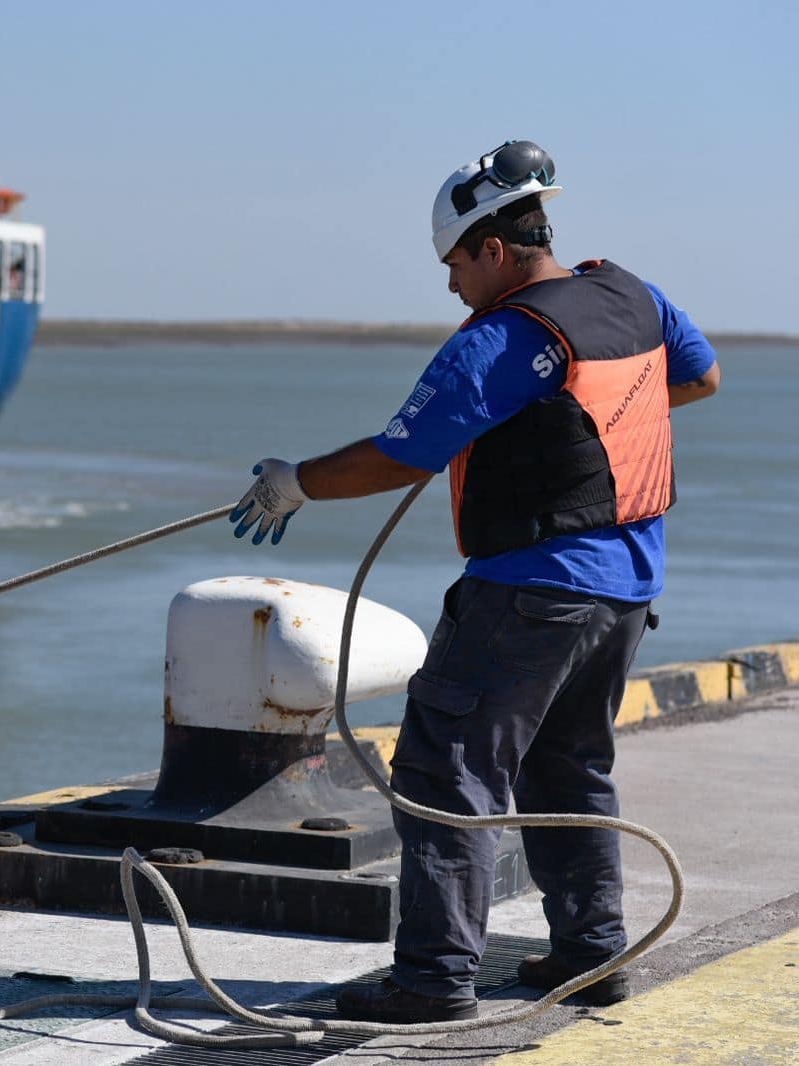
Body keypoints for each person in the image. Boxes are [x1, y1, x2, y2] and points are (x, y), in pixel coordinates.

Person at [229, 141, 720, 1022]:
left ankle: (432, 979)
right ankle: (592, 955)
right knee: (572, 770)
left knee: (444, 770)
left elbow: (398, 453)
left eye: (453, 262)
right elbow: (700, 375)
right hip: (627, 591)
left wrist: (293, 481)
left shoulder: (504, 337)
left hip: (529, 591)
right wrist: (576, 415)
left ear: (492, 248)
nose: (450, 283)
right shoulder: (631, 294)